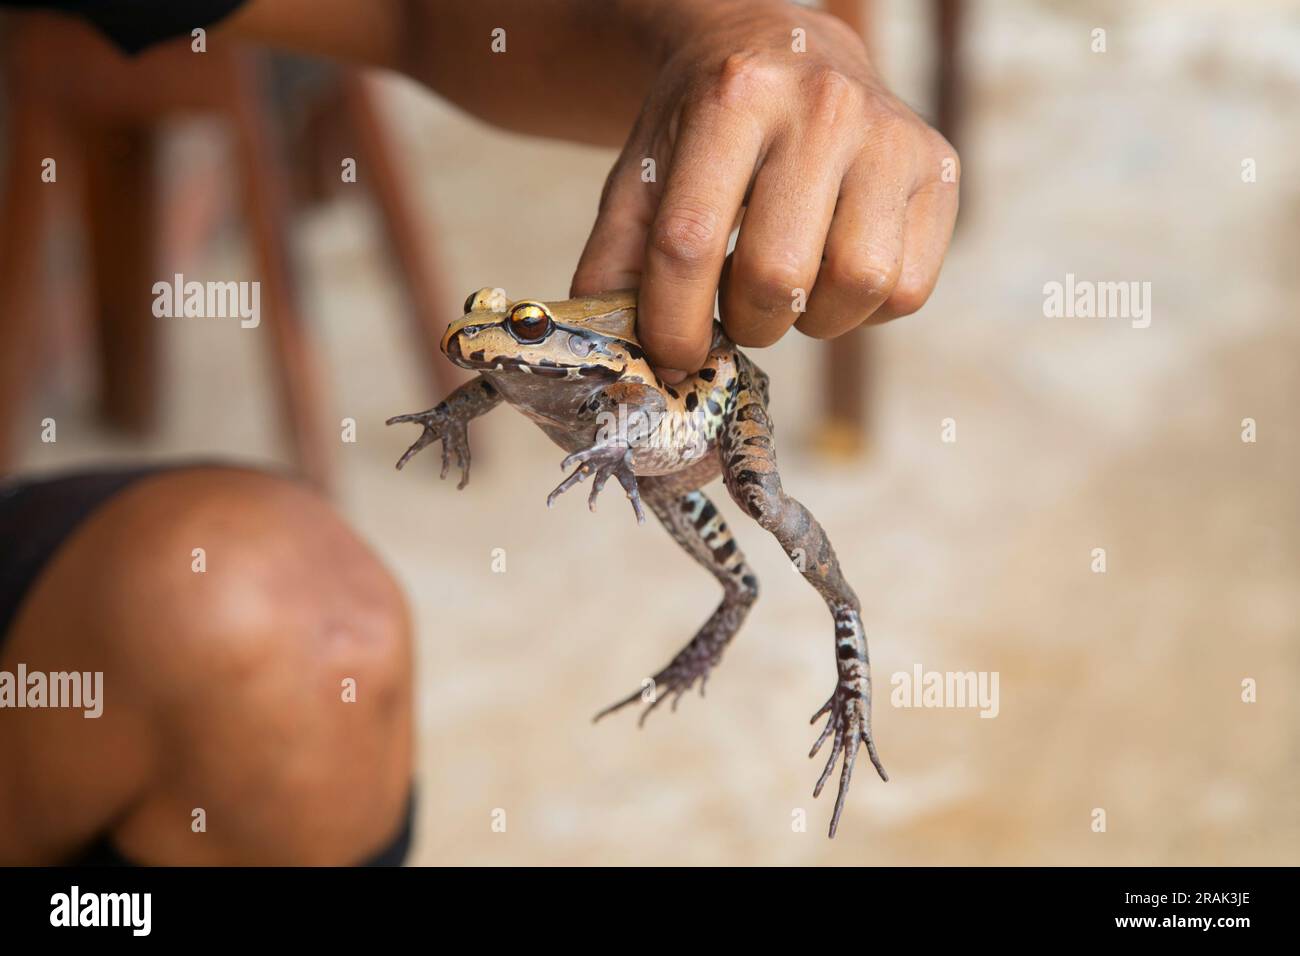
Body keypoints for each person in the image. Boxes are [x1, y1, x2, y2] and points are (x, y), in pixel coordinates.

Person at [0, 0, 958, 865]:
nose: (490, 345)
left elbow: (418, 14)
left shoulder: (598, 368)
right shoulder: (518, 368)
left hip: (694, 405)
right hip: (628, 421)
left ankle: (847, 647)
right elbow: (494, 378)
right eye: (497, 326)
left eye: (523, 331)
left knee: (763, 520)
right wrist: (463, 408)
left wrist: (723, 30)